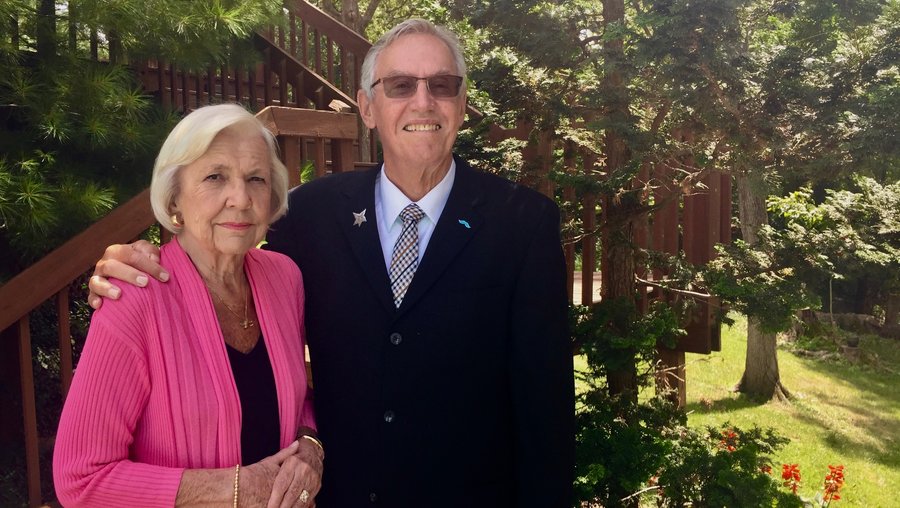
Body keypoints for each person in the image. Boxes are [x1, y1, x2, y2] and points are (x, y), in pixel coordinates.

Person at [88, 19, 574, 507]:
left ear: (462, 105)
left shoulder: (522, 222)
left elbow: (545, 411)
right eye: (401, 85)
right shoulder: (308, 215)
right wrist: (135, 259)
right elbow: (226, 261)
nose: (423, 102)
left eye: (442, 86)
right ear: (367, 107)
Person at [54, 104, 324, 507]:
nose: (241, 198)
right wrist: (235, 489)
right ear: (174, 197)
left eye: (256, 179)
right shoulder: (134, 294)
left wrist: (310, 445)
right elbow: (81, 478)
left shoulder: (284, 278)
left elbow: (299, 397)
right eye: (215, 177)